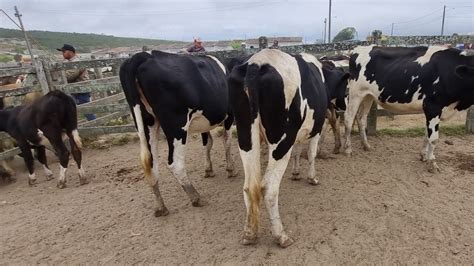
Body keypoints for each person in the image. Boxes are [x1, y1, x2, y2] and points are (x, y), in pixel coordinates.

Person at [57, 44, 95, 120]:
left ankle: (97, 125)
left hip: (81, 90)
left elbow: (69, 77)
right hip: (76, 90)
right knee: (70, 110)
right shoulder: (70, 62)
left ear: (70, 52)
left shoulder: (76, 62)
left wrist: (58, 74)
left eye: (64, 51)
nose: (63, 53)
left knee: (86, 110)